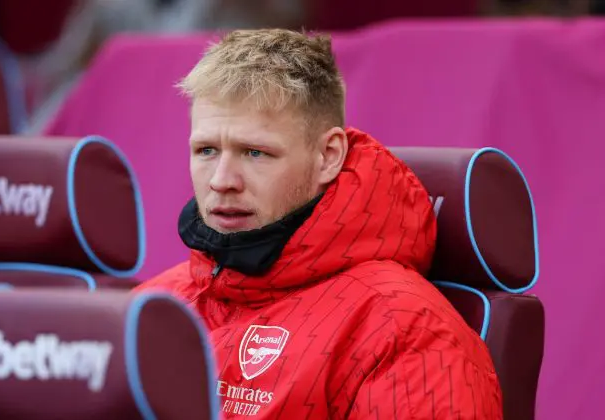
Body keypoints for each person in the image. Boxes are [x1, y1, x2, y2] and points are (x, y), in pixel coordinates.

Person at [134, 28, 502, 419]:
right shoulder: (153, 307)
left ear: (328, 156)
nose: (222, 179)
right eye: (206, 150)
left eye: (255, 152)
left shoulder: (404, 330)